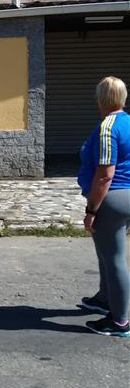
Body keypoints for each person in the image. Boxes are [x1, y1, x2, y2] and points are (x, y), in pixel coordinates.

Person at [77, 76, 130, 337]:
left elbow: (105, 174)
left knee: (115, 258)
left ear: (101, 98)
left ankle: (119, 321)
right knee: (107, 254)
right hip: (126, 196)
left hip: (112, 198)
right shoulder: (128, 121)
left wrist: (92, 210)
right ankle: (104, 299)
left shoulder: (109, 127)